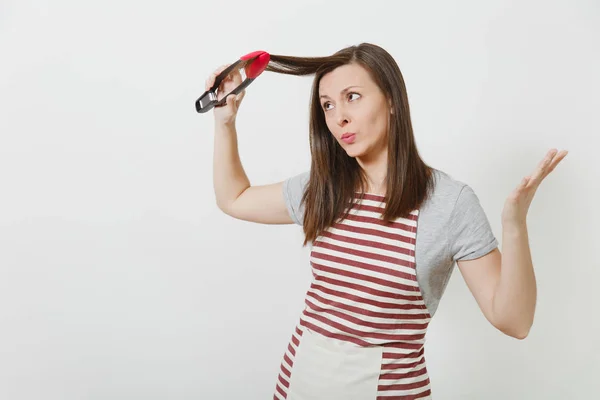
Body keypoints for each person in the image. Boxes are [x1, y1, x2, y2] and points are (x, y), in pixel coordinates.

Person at [206, 43, 568, 400]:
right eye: (328, 105)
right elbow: (233, 199)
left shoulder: (448, 204)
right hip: (298, 386)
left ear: (392, 100)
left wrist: (515, 224)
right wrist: (225, 123)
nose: (338, 117)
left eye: (353, 97)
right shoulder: (324, 188)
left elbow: (514, 322)